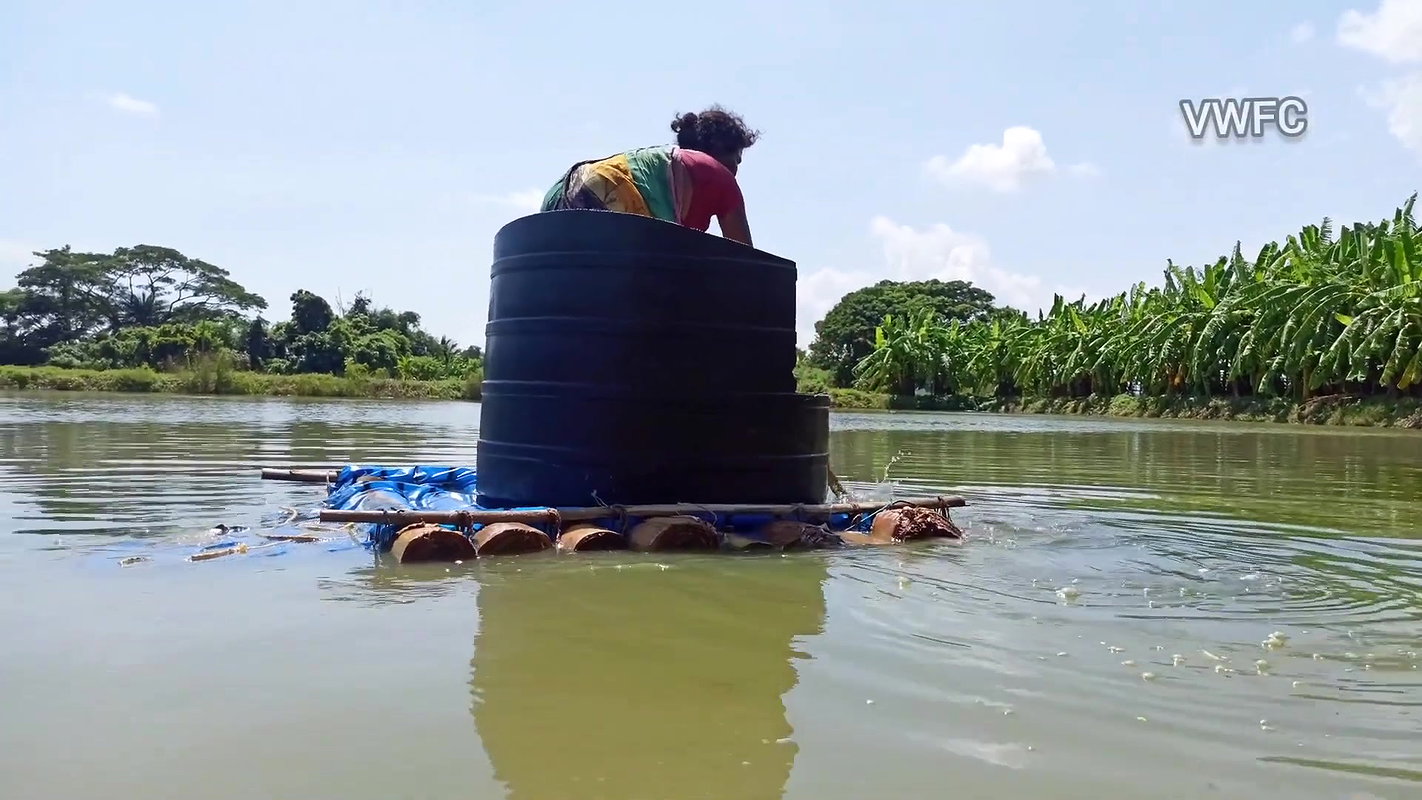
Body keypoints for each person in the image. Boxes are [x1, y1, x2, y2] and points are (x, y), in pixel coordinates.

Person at [539, 105, 759, 246]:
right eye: (736, 160)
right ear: (720, 149)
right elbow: (746, 260)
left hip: (560, 193)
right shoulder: (719, 176)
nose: (736, 170)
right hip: (610, 196)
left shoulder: (663, 167)